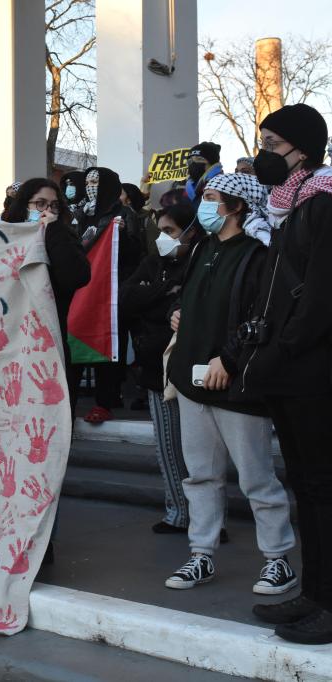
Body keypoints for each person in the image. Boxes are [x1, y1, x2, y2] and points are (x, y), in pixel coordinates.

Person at [164, 173, 297, 598]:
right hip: (192, 382)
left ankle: (278, 561)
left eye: (212, 197)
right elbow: (192, 297)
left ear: (237, 206)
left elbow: (265, 316)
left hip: (236, 387)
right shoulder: (204, 247)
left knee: (257, 479)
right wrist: (179, 315)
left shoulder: (261, 253)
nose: (204, 204)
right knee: (200, 476)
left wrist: (230, 358)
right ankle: (201, 553)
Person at [238, 103, 332, 644]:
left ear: (301, 146)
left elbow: (320, 295)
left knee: (324, 486)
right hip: (289, 370)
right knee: (306, 485)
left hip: (313, 368)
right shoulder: (288, 208)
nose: (263, 155)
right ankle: (315, 593)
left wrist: (283, 348)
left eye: (273, 145)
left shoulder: (322, 203)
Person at [119, 202, 200, 534]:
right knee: (168, 444)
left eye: (169, 231)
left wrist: (152, 298)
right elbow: (127, 299)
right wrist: (165, 293)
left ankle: (206, 517)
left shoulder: (200, 262)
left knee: (199, 450)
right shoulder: (153, 263)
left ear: (190, 231)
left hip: (194, 367)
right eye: (161, 231)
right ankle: (178, 512)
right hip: (156, 368)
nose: (162, 238)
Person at [1, 179, 91, 416]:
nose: (47, 211)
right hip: (7, 341)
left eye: (54, 206)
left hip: (49, 341)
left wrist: (54, 232)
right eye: (39, 204)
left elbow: (77, 277)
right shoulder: (3, 239)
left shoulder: (63, 237)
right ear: (24, 206)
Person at [78, 166, 145, 423]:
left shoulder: (124, 214)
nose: (91, 186)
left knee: (110, 344)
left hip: (114, 289)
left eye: (96, 181)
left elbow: (134, 252)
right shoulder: (80, 213)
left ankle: (106, 399)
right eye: (88, 181)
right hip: (85, 289)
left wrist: (120, 237)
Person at [185, 141, 223, 209]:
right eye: (190, 161)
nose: (194, 163)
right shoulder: (188, 187)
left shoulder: (221, 185)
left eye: (199, 159)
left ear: (212, 164)